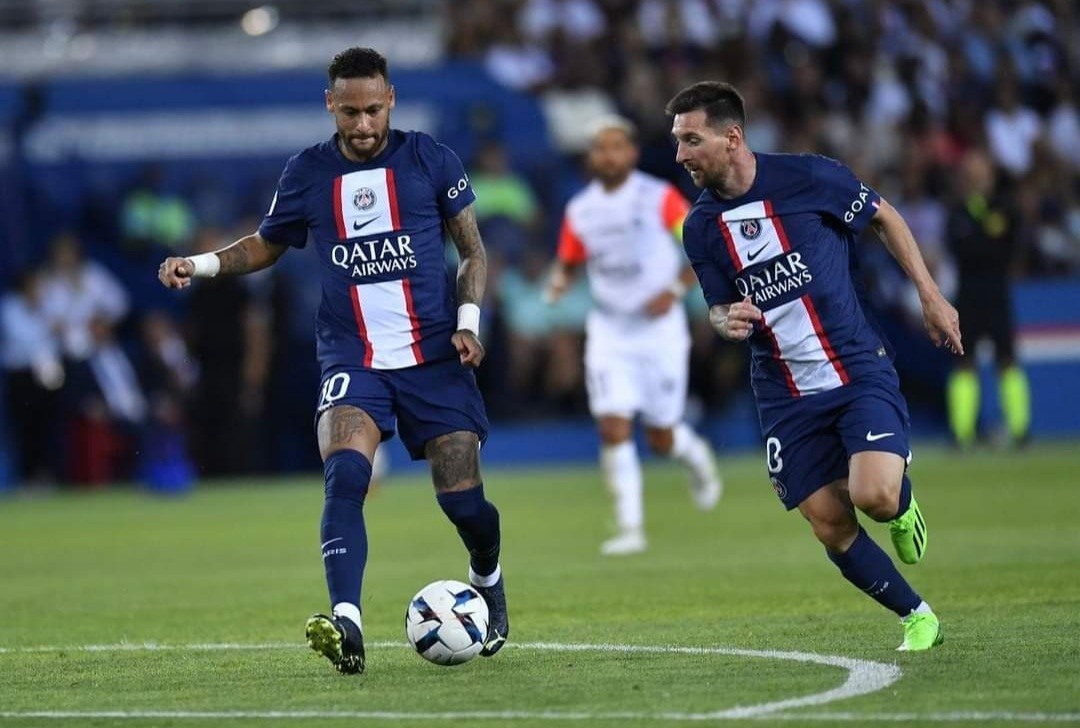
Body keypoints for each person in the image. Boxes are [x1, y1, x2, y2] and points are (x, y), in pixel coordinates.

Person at [158, 47, 508, 675]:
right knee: (346, 475)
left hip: (434, 353)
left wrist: (468, 323)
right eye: (350, 112)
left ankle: (488, 576)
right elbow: (267, 244)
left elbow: (473, 251)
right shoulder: (308, 172)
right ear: (330, 105)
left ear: (391, 99)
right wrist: (201, 264)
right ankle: (347, 620)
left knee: (463, 503)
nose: (363, 124)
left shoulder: (431, 159)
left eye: (373, 109)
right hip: (353, 354)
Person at [668, 81, 962, 651]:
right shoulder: (700, 228)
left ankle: (902, 506)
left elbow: (884, 216)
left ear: (733, 138)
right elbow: (718, 305)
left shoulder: (809, 176)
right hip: (783, 391)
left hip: (854, 365)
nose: (680, 155)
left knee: (875, 497)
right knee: (829, 521)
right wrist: (725, 320)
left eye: (691, 140)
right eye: (677, 141)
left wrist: (929, 295)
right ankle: (917, 616)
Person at [545, 116, 723, 556]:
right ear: (591, 158)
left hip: (660, 330)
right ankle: (629, 527)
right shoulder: (580, 210)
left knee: (661, 437)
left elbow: (700, 245)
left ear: (631, 153)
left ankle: (695, 455)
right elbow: (569, 259)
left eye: (616, 147)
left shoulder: (659, 197)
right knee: (613, 426)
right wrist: (560, 282)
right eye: (600, 148)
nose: (608, 156)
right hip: (610, 329)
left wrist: (674, 290)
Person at [945, 149, 1030, 448]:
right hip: (968, 295)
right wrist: (988, 243)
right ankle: (962, 433)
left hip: (996, 293)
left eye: (980, 170)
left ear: (991, 174)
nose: (976, 176)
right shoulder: (958, 211)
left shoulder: (1005, 208)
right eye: (970, 171)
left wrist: (985, 244)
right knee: (963, 361)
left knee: (1007, 359)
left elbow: (1011, 246)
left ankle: (1020, 430)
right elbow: (962, 250)